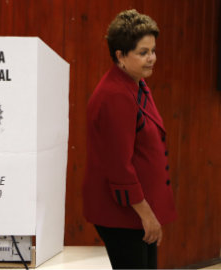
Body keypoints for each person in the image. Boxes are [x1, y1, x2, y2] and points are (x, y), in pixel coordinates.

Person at [83, 9, 177, 269]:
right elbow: (119, 167)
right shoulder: (115, 95)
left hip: (135, 212)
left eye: (153, 50)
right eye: (143, 52)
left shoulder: (135, 83)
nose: (152, 58)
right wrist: (147, 216)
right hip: (124, 214)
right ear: (120, 56)